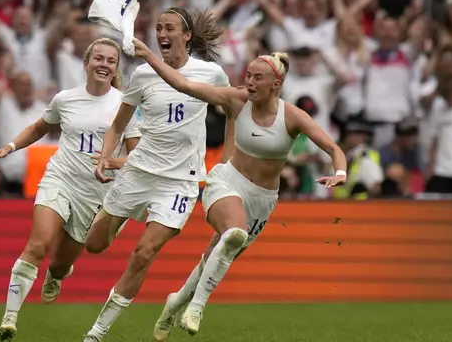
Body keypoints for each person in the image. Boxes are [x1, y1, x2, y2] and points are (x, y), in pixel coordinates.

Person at [129, 38, 348, 339]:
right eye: (248, 75)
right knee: (233, 234)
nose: (250, 82)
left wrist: (340, 172)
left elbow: (333, 148)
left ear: (276, 83)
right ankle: (197, 307)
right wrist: (149, 55)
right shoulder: (236, 99)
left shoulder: (292, 116)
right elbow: (183, 85)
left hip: (263, 200)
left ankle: (177, 301)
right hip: (227, 180)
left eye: (259, 77)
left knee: (218, 254)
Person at [81, 7, 234, 342]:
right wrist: (106, 157)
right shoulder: (142, 75)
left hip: (180, 182)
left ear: (186, 36)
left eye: (169, 28)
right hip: (139, 171)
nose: (162, 34)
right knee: (93, 245)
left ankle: (97, 332)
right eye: (159, 28)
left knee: (144, 253)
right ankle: (116, 218)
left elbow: (235, 109)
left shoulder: (210, 73)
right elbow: (119, 125)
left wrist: (230, 159)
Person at [0, 37, 142, 342]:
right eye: (98, 58)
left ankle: (56, 275)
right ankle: (9, 318)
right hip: (60, 179)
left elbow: (137, 154)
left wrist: (113, 162)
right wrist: (10, 146)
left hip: (95, 194)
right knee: (38, 245)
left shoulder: (125, 105)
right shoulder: (65, 98)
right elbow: (39, 127)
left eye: (111, 60)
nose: (104, 64)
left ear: (115, 69)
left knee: (59, 264)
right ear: (85, 64)